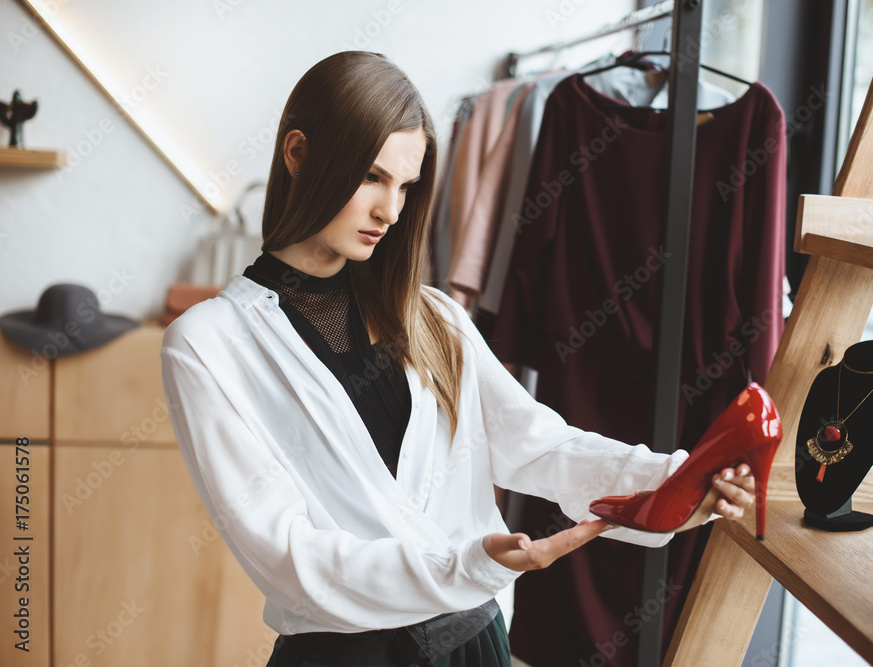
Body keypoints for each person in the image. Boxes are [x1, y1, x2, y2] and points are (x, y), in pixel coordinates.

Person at [159, 51, 757, 667]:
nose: (390, 211)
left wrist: (678, 481)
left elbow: (541, 447)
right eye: (371, 177)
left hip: (476, 647)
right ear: (298, 154)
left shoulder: (433, 317)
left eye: (405, 186)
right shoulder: (207, 345)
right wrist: (467, 565)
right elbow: (288, 557)